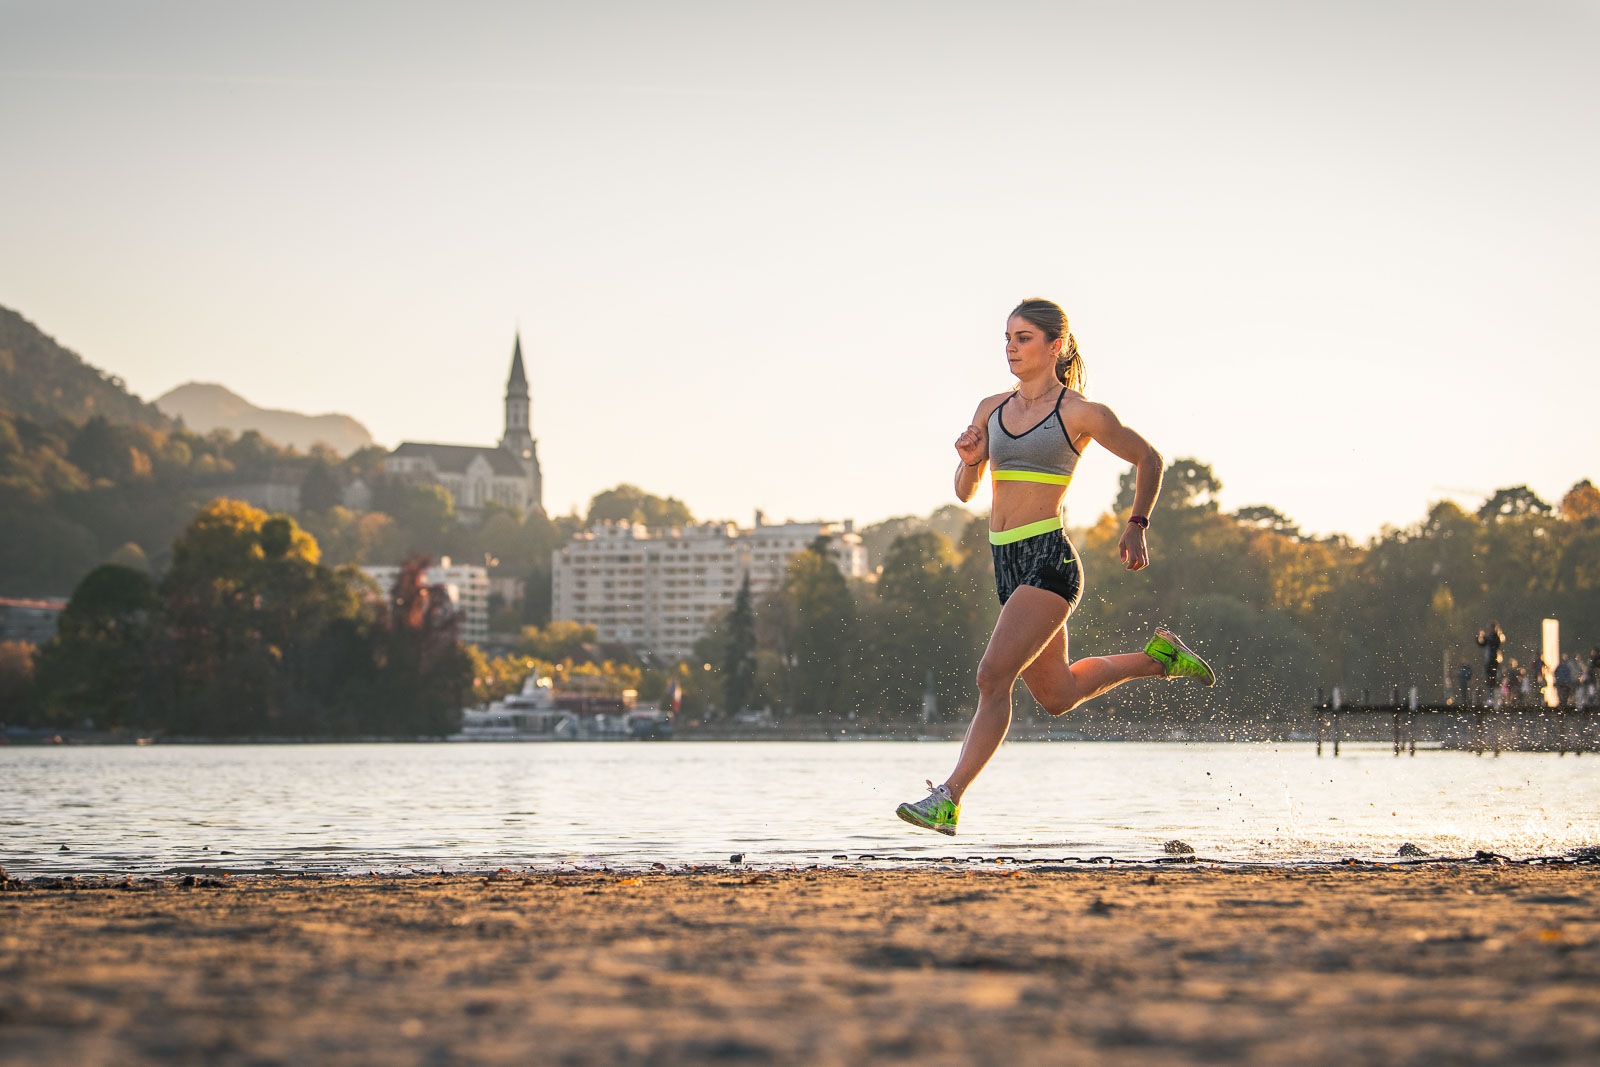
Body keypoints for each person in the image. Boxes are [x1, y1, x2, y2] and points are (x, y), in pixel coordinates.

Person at [895, 298, 1215, 836]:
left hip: (1049, 560)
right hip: (1006, 562)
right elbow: (965, 490)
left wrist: (1137, 523)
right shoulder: (990, 409)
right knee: (1058, 695)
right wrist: (971, 458)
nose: (1011, 348)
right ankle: (1158, 658)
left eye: (1023, 338)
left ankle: (948, 797)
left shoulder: (1080, 413)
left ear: (1055, 346)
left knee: (993, 677)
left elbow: (1149, 459)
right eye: (1007, 338)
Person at [1477, 623, 1503, 696]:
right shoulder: (1489, 637)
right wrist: (1479, 636)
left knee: (1495, 679)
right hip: (1488, 662)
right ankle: (1490, 696)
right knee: (1488, 680)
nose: (1489, 630)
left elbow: (1494, 643)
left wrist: (1484, 636)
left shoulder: (1497, 637)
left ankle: (1495, 696)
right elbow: (1482, 644)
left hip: (1494, 662)